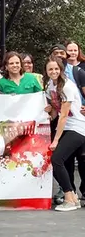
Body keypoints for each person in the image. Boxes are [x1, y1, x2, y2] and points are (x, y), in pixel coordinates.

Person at [45, 56, 85, 211]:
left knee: (57, 159)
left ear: (61, 70)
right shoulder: (50, 85)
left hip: (77, 128)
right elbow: (56, 111)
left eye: (56, 68)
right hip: (67, 128)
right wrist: (48, 113)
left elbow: (63, 115)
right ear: (47, 71)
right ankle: (73, 197)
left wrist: (56, 140)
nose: (54, 71)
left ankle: (69, 197)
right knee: (57, 161)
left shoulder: (67, 86)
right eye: (50, 69)